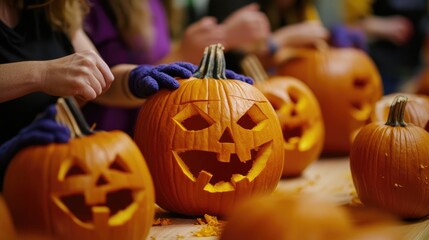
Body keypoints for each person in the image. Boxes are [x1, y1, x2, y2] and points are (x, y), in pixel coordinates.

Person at [0, 0, 224, 189]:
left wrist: (135, 80)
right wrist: (41, 73)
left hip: (45, 178)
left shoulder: (55, 6)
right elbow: (53, 72)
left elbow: (98, 78)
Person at [81, 0, 257, 135]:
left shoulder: (159, 3)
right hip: (114, 139)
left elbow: (159, 58)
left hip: (158, 131)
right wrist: (184, 54)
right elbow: (100, 85)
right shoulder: (91, 7)